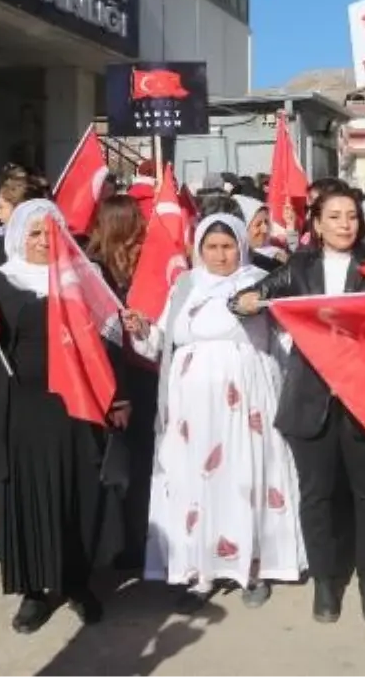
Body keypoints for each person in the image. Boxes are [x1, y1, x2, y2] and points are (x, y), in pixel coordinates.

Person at [124, 213, 304, 610]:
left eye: (228, 247)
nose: (221, 256)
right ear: (199, 249)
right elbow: (162, 342)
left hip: (248, 403)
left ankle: (252, 568)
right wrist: (142, 330)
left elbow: (287, 336)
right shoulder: (185, 286)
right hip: (192, 410)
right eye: (212, 247)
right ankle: (198, 573)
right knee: (196, 481)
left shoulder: (259, 281)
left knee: (246, 475)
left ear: (240, 246)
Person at [232, 184, 365, 624]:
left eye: (352, 216)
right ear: (317, 225)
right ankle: (325, 582)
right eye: (335, 216)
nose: (345, 224)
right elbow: (246, 300)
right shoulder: (298, 269)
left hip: (364, 396)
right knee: (317, 495)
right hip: (311, 398)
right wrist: (243, 301)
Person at [0, 200, 128, 633]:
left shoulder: (87, 278)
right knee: (28, 493)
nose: (45, 242)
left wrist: (117, 396)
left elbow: (110, 342)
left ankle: (77, 582)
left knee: (75, 488)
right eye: (35, 234)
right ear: (18, 238)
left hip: (75, 403)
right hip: (20, 408)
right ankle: (34, 590)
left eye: (52, 233)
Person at [85, 195, 157, 570]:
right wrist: (118, 394)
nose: (144, 227)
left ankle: (140, 540)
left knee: (143, 462)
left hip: (146, 372)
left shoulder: (145, 264)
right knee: (123, 465)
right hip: (118, 380)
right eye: (137, 221)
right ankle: (126, 543)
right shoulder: (95, 271)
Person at [234, 195, 290, 271]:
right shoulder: (236, 261)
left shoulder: (277, 252)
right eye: (258, 224)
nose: (265, 229)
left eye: (266, 222)